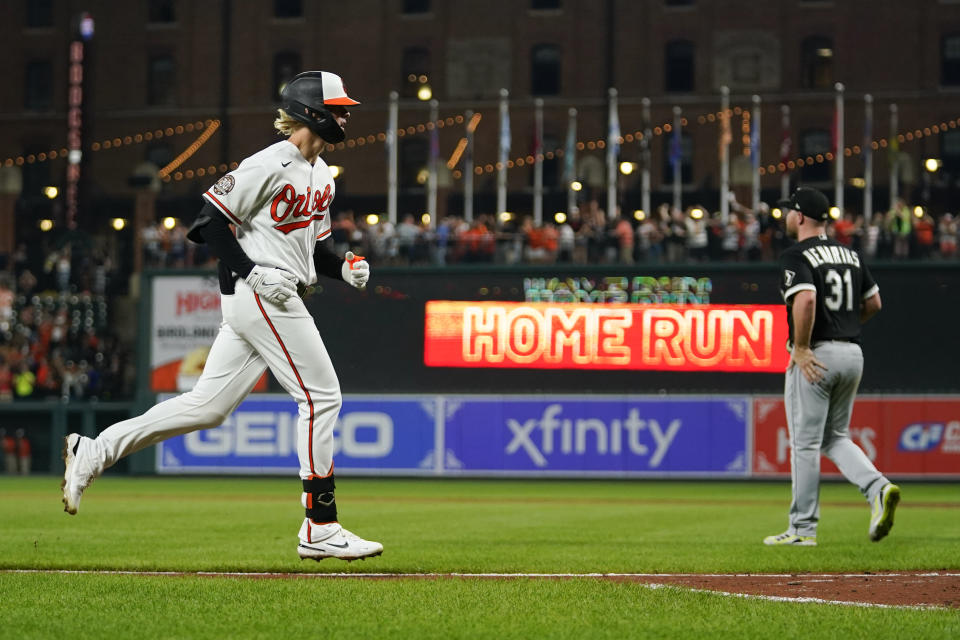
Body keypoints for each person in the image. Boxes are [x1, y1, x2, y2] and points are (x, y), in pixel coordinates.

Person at [60, 71, 383, 562]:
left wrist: (344, 266)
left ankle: (94, 450)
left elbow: (314, 252)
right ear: (311, 110)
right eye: (338, 108)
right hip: (263, 297)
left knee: (207, 407)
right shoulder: (267, 163)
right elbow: (207, 226)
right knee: (321, 397)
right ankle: (320, 523)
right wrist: (253, 273)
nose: (345, 116)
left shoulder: (320, 175)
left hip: (272, 294)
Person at [764, 187, 900, 547]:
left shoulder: (797, 254)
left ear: (801, 216)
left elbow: (806, 298)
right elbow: (874, 302)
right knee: (835, 437)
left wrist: (803, 347)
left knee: (805, 444)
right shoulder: (849, 254)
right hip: (852, 353)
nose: (786, 217)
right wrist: (844, 326)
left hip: (817, 356)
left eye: (789, 211)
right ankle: (878, 488)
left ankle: (802, 529)